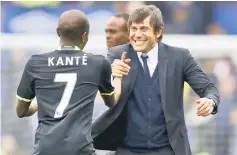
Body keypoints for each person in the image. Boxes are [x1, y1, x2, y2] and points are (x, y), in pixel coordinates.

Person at [92, 6, 220, 155]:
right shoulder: (117, 54)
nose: (137, 34)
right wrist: (109, 74)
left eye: (143, 29)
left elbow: (208, 89)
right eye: (134, 29)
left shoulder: (180, 57)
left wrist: (210, 101)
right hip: (127, 149)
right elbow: (100, 87)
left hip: (167, 150)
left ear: (158, 31)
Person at [16, 9, 124, 155]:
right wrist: (118, 77)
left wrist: (39, 102)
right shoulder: (97, 63)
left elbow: (21, 111)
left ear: (58, 32)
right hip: (79, 149)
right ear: (84, 35)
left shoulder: (35, 63)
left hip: (45, 149)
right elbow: (112, 102)